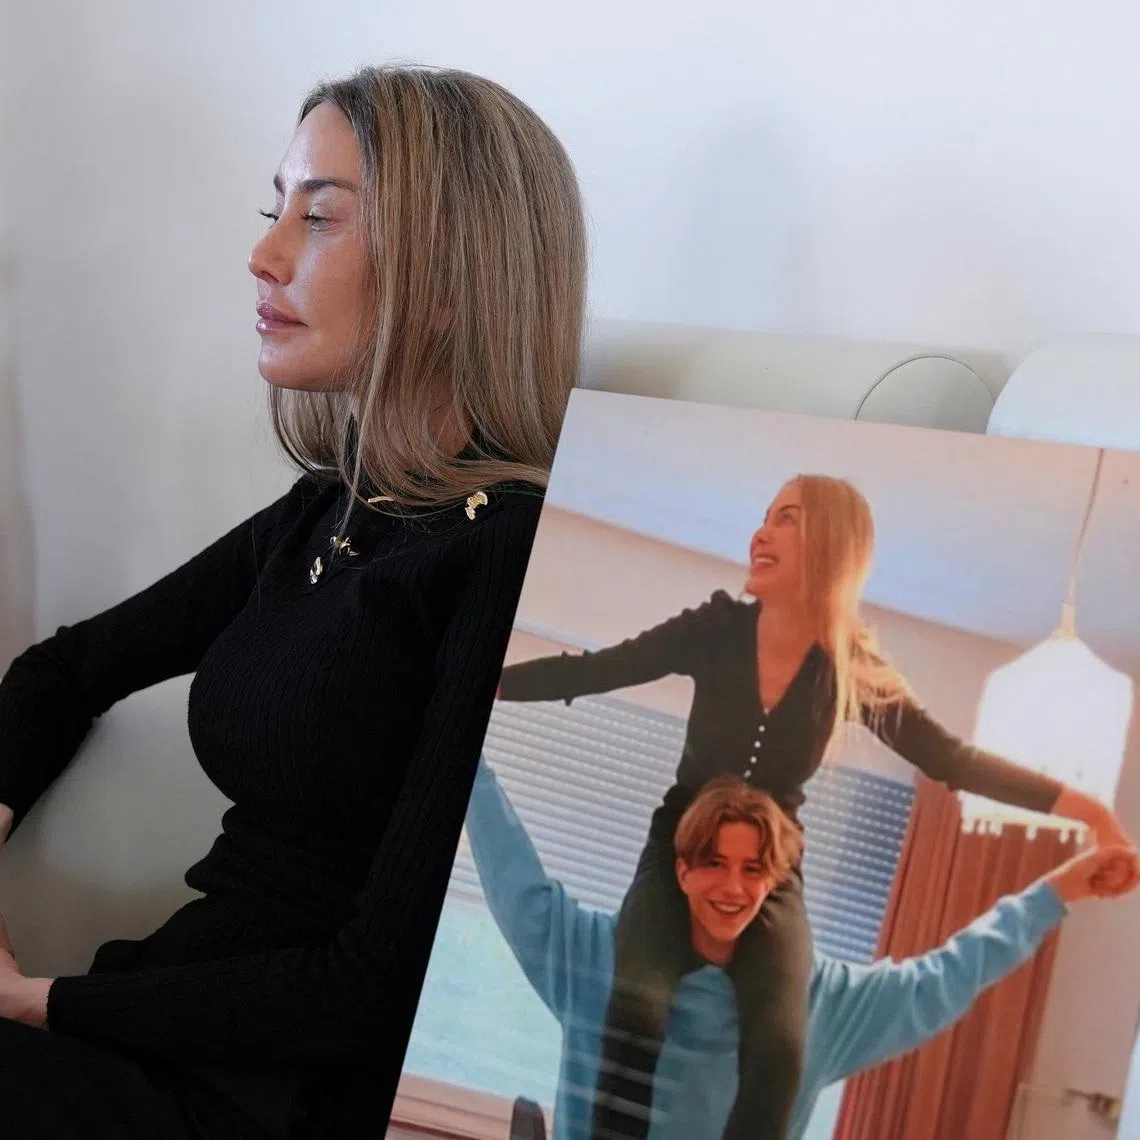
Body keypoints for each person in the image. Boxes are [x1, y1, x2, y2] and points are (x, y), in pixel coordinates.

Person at [0, 65, 586, 1140]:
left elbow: (367, 985)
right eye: (277, 210)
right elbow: (65, 670)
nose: (265, 254)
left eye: (318, 218)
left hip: (274, 1095)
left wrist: (41, 1003)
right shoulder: (330, 511)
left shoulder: (501, 561)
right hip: (160, 1024)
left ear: (452, 274)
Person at [496, 474, 1139, 1140]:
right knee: (636, 1009)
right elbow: (594, 671)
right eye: (764, 517)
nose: (761, 532)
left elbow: (953, 761)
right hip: (679, 852)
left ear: (831, 546)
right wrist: (489, 685)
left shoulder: (850, 669)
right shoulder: (713, 628)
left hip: (775, 869)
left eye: (786, 520)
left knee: (780, 1045)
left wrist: (1090, 811)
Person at [465, 756, 1139, 1140]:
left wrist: (1058, 891)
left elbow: (944, 979)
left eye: (754, 869)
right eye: (713, 863)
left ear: (775, 884)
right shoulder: (595, 960)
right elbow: (513, 876)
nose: (732, 886)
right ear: (681, 871)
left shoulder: (819, 1007)